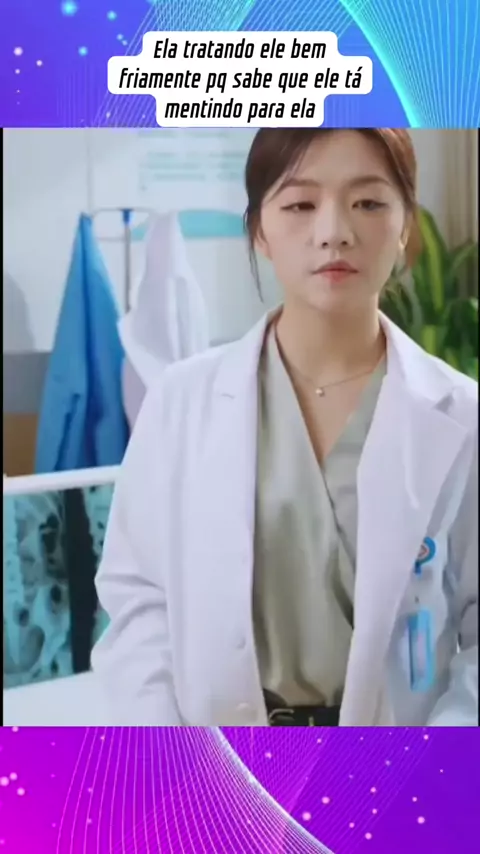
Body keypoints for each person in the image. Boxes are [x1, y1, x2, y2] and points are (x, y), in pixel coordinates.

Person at [92, 129, 478, 727]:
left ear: (405, 227)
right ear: (259, 231)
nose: (333, 231)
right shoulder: (181, 402)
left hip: (396, 761)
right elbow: (139, 601)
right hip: (217, 756)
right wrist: (169, 753)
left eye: (368, 202)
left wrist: (437, 756)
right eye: (300, 204)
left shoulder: (462, 417)